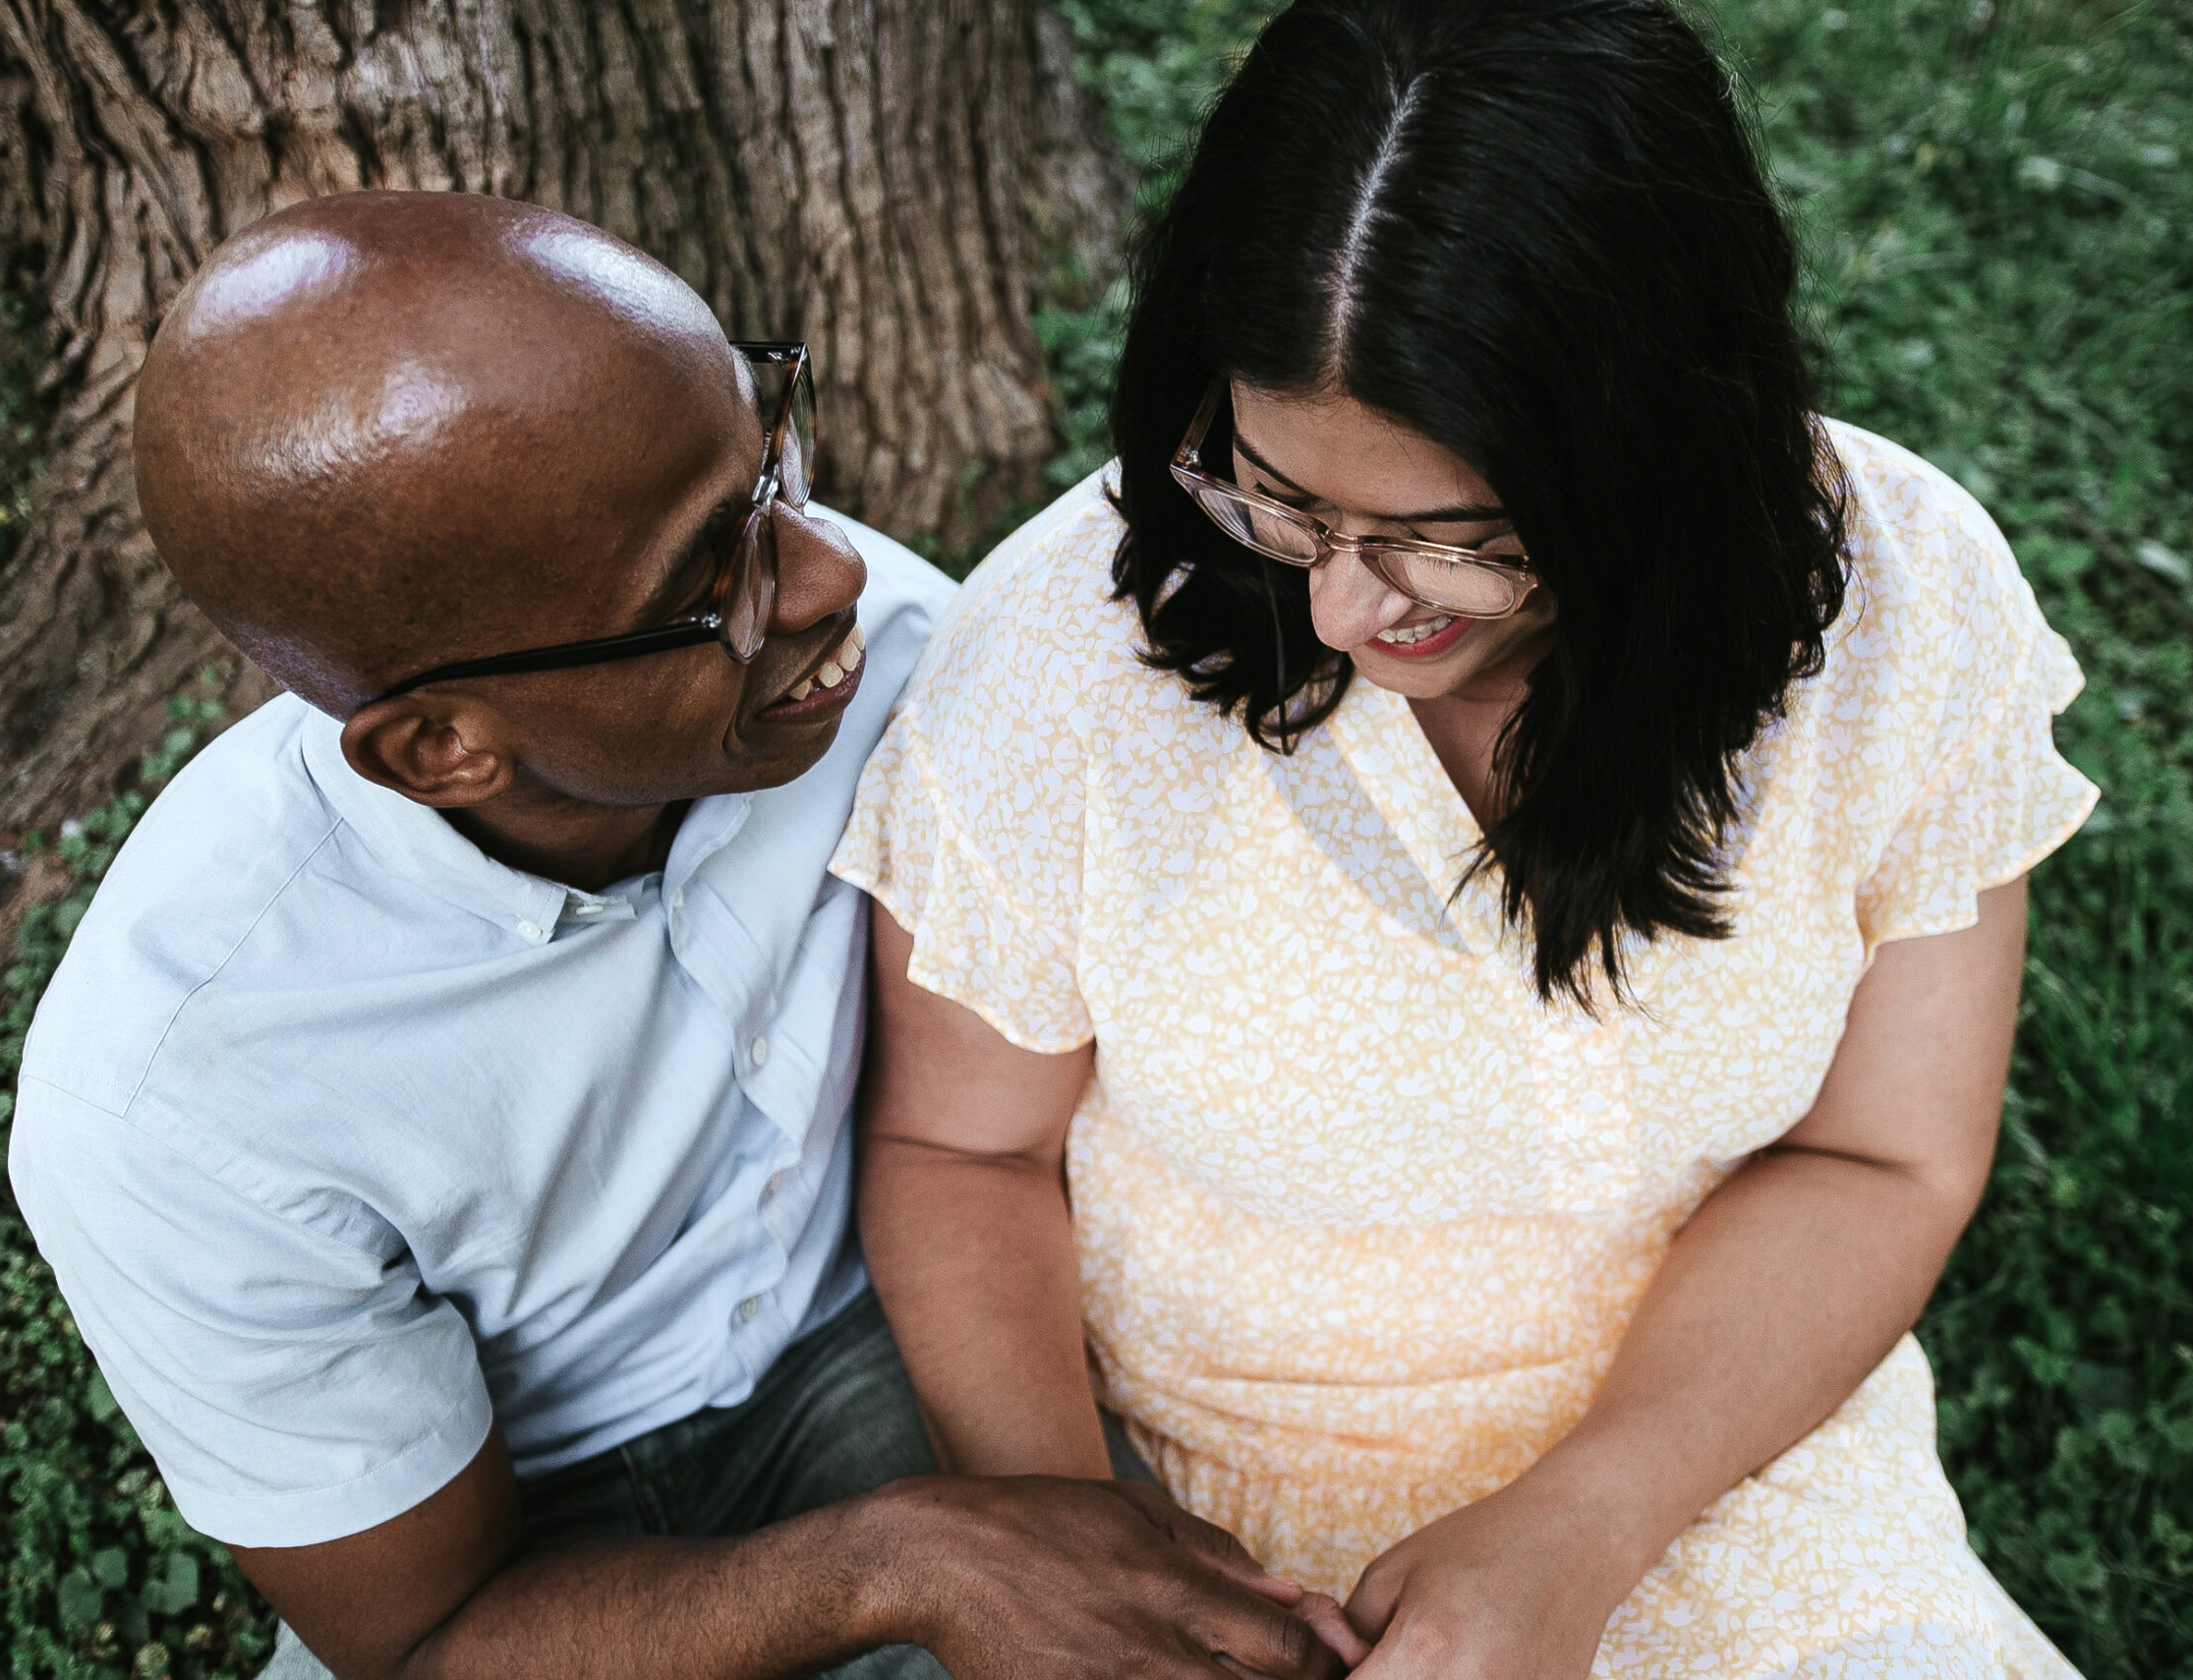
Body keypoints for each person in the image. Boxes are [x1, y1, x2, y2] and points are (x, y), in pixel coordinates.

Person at [834, 1, 2099, 1676]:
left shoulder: (1905, 607)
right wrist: (1090, 1571)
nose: (1347, 605)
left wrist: (1590, 1514)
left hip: (1740, 1439)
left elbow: (1887, 1156)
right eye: (1279, 498)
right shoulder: (1065, 656)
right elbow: (960, 1156)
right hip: (1215, 1518)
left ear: (1654, 459)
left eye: (1449, 538)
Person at [8, 191, 1360, 1680]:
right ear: (444, 746)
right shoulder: (176, 1099)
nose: (835, 571)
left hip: (875, 1324)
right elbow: (427, 1638)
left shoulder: (881, 663)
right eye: (707, 575)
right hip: (528, 1533)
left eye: (767, 448)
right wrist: (906, 1558)